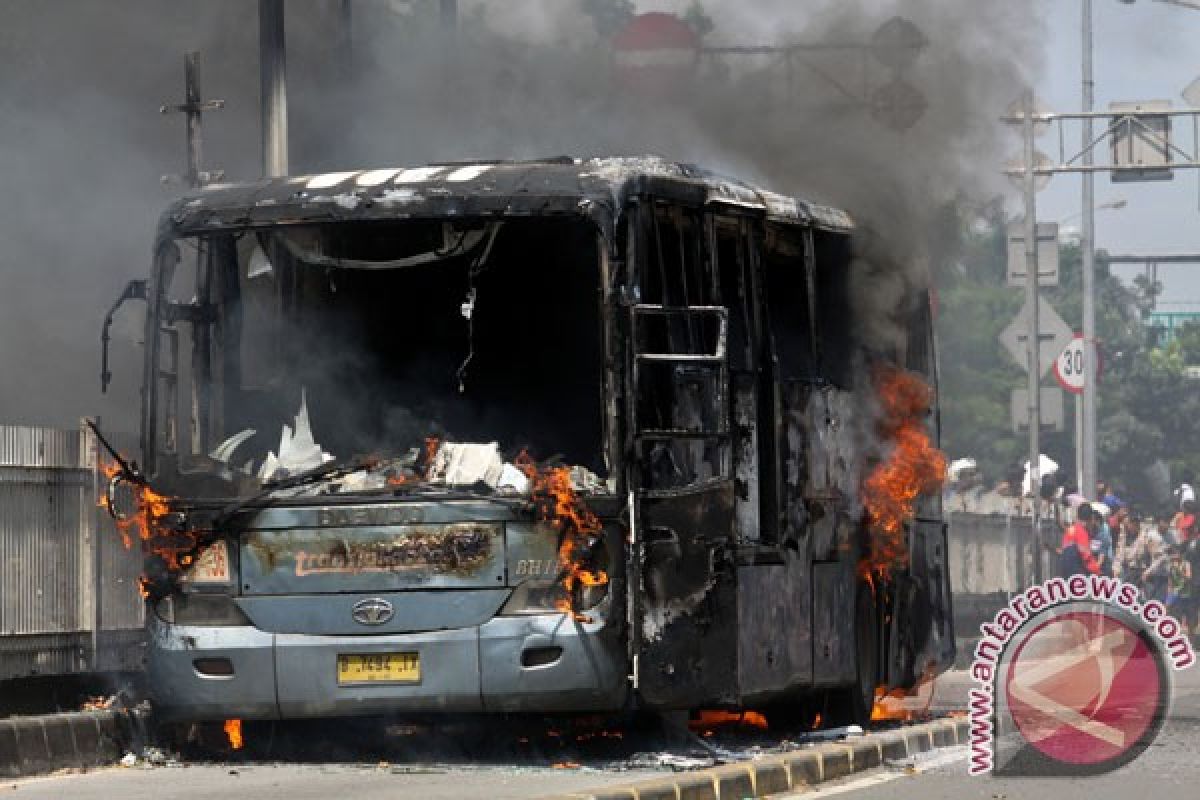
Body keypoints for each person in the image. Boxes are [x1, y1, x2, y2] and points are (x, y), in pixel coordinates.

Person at [1060, 503, 1100, 577]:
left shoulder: (1070, 530)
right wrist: (1097, 571)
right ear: (1091, 518)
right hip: (1078, 575)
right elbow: (1087, 558)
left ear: (1078, 516)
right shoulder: (1082, 533)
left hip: (1065, 572)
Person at [1166, 545, 1193, 633]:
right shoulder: (1171, 565)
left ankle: (1184, 628)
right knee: (1168, 607)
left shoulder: (1186, 563)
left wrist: (1179, 569)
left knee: (1183, 610)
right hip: (1174, 590)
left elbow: (1189, 577)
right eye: (1172, 554)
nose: (1174, 556)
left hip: (1184, 591)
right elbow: (1170, 580)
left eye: (1176, 553)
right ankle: (1169, 625)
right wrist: (1169, 592)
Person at [1143, 536, 1170, 604]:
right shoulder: (1148, 553)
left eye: (1151, 544)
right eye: (1149, 544)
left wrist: (1148, 571)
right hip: (1154, 579)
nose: (1150, 546)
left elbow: (1158, 561)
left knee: (1159, 599)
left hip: (1162, 578)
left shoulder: (1160, 552)